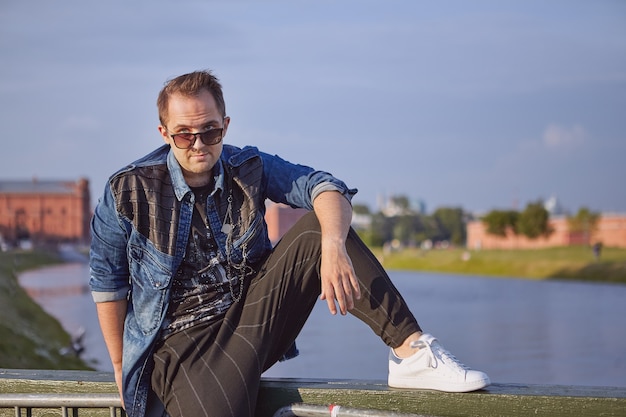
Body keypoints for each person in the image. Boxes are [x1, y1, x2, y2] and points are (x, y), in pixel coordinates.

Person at [89, 70, 490, 417]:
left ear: (225, 125)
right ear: (165, 133)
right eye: (184, 134)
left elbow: (326, 187)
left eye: (209, 131)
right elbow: (108, 281)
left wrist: (331, 246)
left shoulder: (248, 166)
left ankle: (412, 352)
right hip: (178, 348)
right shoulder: (128, 189)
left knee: (320, 225)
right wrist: (123, 364)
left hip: (247, 320)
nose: (199, 144)